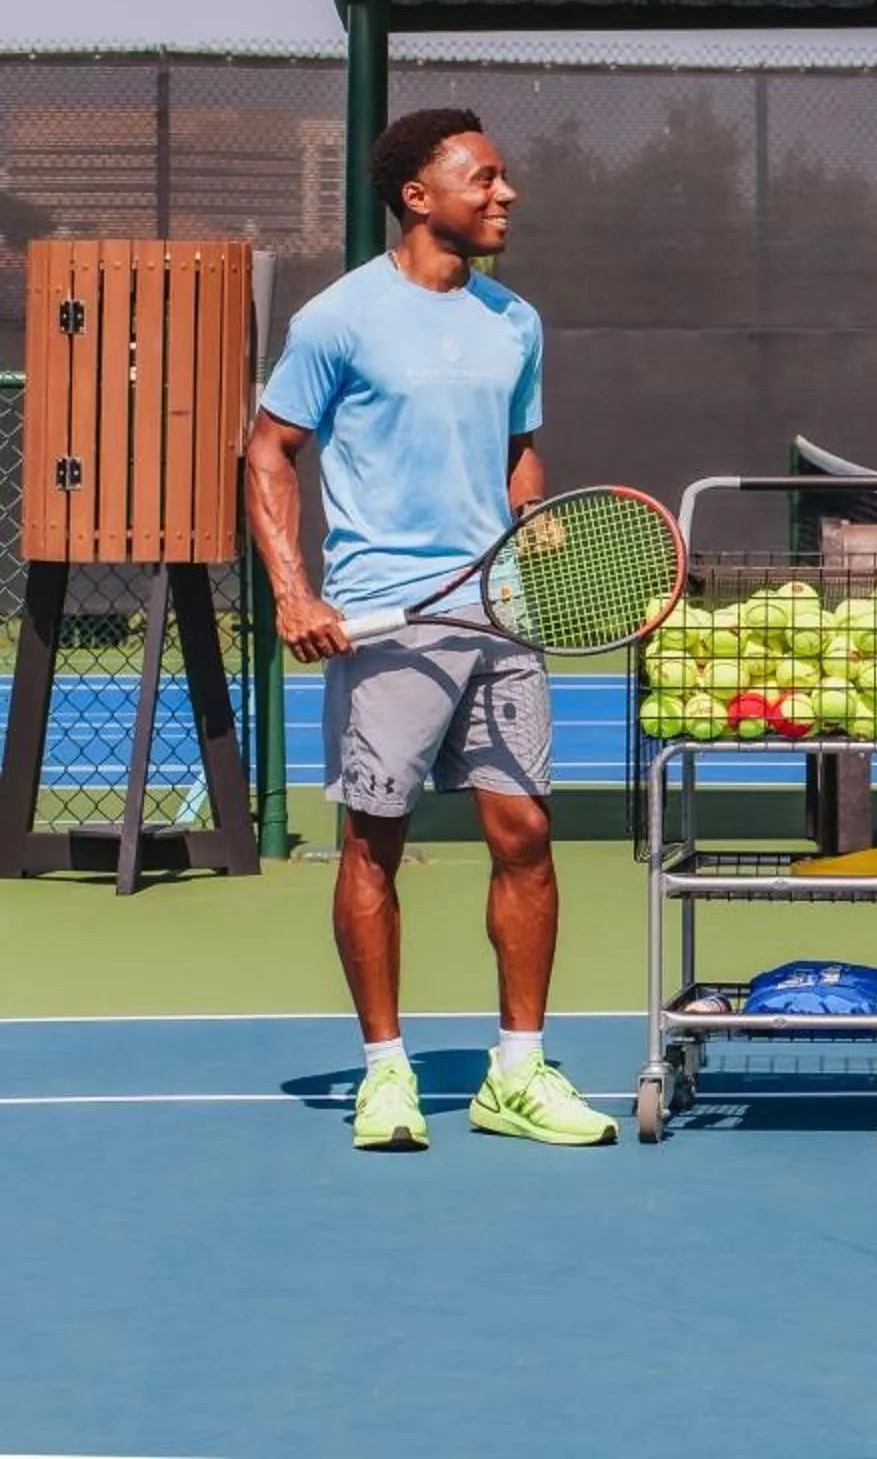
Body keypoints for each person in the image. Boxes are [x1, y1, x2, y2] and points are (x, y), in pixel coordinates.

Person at [245, 108, 615, 1152]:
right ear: (419, 194)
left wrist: (527, 523)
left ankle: (515, 1070)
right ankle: (386, 1073)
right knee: (374, 842)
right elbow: (269, 452)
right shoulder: (339, 318)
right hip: (384, 619)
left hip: (501, 614)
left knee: (527, 836)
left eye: (506, 178)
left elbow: (520, 448)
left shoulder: (515, 320)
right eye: (484, 177)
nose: (507, 194)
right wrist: (293, 591)